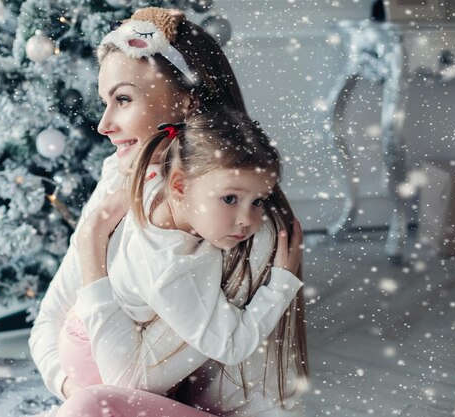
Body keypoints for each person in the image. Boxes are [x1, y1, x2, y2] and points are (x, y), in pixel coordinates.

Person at [29, 7, 309, 416]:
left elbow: (127, 381)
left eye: (123, 99)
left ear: (186, 102)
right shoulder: (119, 181)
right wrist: (72, 388)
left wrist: (92, 242)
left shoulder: (233, 223)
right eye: (105, 101)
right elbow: (49, 320)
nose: (104, 124)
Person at [58, 107, 302, 390]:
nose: (247, 220)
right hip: (93, 359)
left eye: (258, 201)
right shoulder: (172, 270)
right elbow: (231, 345)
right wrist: (281, 284)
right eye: (230, 198)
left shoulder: (156, 187)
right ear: (179, 185)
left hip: (78, 333)